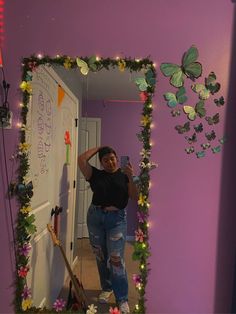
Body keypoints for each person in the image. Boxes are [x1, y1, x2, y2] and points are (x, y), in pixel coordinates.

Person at [78, 146, 138, 314]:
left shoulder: (124, 175)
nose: (110, 162)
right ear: (101, 162)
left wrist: (131, 177)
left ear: (117, 158)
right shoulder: (95, 175)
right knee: (100, 255)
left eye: (112, 158)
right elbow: (81, 159)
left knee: (116, 259)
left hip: (116, 221)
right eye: (106, 160)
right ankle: (107, 287)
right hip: (95, 218)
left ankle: (122, 298)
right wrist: (99, 148)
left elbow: (134, 196)